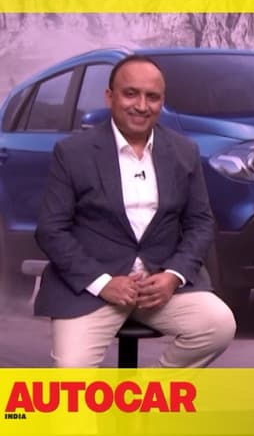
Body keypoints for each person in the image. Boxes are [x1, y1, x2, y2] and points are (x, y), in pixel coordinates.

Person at [34, 55, 237, 367]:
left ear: (162, 102)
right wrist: (103, 283)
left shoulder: (184, 152)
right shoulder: (73, 152)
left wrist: (173, 276)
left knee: (219, 326)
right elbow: (51, 230)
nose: (142, 106)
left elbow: (200, 223)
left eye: (152, 97)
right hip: (91, 288)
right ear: (110, 97)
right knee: (72, 375)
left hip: (161, 288)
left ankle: (148, 396)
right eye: (131, 94)